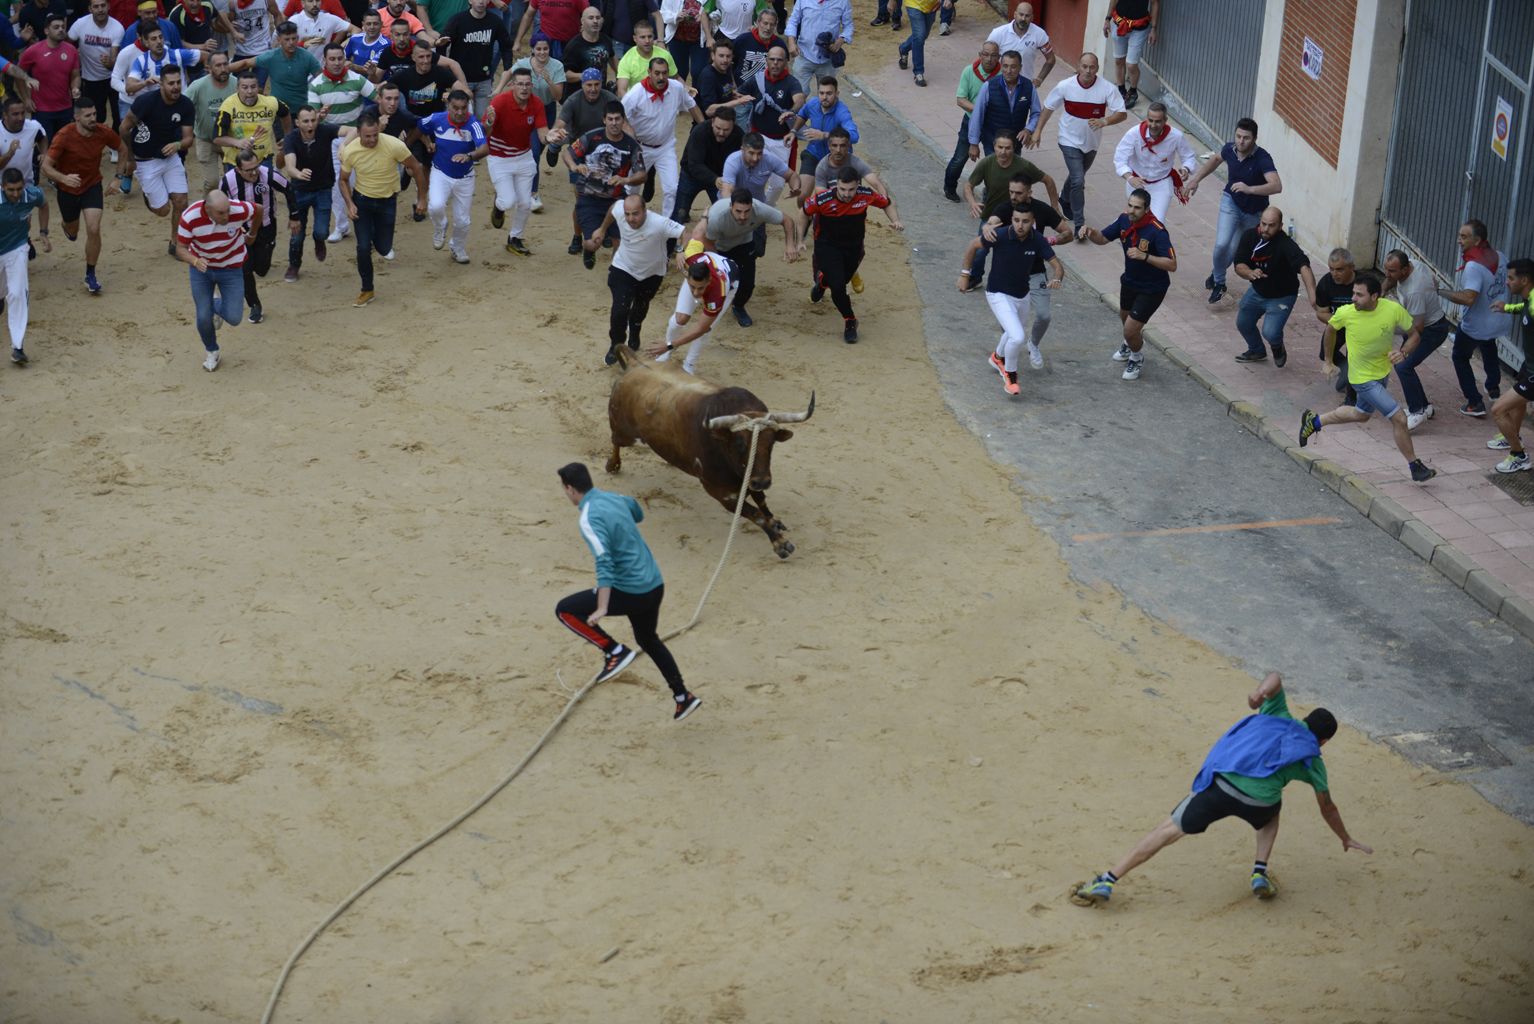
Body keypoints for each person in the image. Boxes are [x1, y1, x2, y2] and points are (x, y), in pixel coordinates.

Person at [1072, 671, 1370, 906]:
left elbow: (1276, 677)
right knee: (1271, 815)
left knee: (1167, 830)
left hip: (1222, 786)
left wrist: (1258, 694)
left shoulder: (1278, 713)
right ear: (1324, 741)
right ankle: (1259, 872)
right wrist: (1345, 837)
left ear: (1304, 718)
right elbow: (1327, 807)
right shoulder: (1313, 760)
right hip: (1259, 803)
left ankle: (1108, 880)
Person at [554, 461, 701, 721]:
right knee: (648, 640)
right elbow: (637, 512)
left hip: (631, 592)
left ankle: (613, 651)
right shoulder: (615, 498)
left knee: (565, 610)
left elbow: (604, 561)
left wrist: (602, 606)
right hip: (655, 584)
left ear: (569, 489)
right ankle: (682, 697)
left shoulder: (588, 517)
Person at [1299, 272, 1438, 483]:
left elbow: (1415, 334)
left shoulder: (1392, 309)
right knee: (1399, 418)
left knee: (1361, 414)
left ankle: (1315, 421)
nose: (1353, 298)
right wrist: (1328, 361)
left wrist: (1403, 352)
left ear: (1375, 297)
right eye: (1353, 293)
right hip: (1362, 379)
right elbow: (1330, 330)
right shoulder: (1346, 312)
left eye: (1359, 295)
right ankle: (1415, 466)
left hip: (1382, 373)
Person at [959, 204, 1061, 396]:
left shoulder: (1037, 240)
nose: (1020, 225)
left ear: (1033, 222)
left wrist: (1057, 278)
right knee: (1017, 337)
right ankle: (1010, 375)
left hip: (1022, 295)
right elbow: (973, 245)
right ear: (1011, 219)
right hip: (998, 293)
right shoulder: (1000, 235)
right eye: (1016, 220)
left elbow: (1057, 265)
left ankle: (997, 356)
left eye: (1025, 221)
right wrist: (965, 275)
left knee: (1013, 332)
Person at [797, 164, 902, 344]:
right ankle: (850, 320)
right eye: (842, 189)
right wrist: (799, 240)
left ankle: (822, 283)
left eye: (851, 189)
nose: (846, 194)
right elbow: (804, 213)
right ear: (836, 185)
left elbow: (887, 202)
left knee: (840, 280)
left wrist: (896, 220)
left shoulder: (866, 195)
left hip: (853, 247)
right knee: (838, 288)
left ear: (858, 186)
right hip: (827, 246)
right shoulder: (822, 200)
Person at [969, 176, 1069, 358]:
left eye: (1019, 193)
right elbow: (993, 221)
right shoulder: (1005, 208)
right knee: (1010, 323)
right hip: (1008, 275)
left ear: (1029, 193)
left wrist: (1048, 242)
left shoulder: (1042, 210)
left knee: (1044, 315)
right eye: (1011, 192)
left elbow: (1067, 233)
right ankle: (1007, 351)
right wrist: (987, 227)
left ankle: (1033, 344)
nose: (1013, 197)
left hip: (1036, 271)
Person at [1083, 187, 1174, 382]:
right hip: (1130, 281)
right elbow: (1103, 238)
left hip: (1152, 287)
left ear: (1147, 209)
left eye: (1137, 208)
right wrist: (1090, 232)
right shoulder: (1124, 220)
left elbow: (1172, 264)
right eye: (1130, 205)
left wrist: (1146, 256)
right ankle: (1130, 342)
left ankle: (1136, 356)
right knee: (1125, 319)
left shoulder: (1157, 232)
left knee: (1130, 329)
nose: (1132, 211)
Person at [337, 110, 428, 305]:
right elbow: (343, 180)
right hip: (362, 201)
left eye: (374, 135)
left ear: (379, 129)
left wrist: (421, 198)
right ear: (359, 133)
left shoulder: (394, 145)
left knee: (384, 247)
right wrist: (350, 203)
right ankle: (367, 289)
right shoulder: (350, 150)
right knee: (362, 248)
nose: (371, 140)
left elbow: (417, 168)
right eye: (367, 136)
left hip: (387, 201)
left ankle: (375, 240)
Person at [1185, 118, 1281, 303]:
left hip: (1254, 213)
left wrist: (1250, 189)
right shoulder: (1230, 149)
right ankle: (1220, 283)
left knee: (1233, 252)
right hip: (1231, 203)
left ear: (1254, 139)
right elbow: (1215, 159)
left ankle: (1216, 273)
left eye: (1246, 138)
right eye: (1238, 136)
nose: (1241, 141)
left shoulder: (1262, 158)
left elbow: (1276, 186)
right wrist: (1196, 179)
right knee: (1221, 244)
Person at [1031, 51, 1124, 235]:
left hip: (1092, 143)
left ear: (1097, 69)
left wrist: (1105, 121)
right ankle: (1079, 224)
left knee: (1076, 176)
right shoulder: (1065, 86)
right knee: (1079, 179)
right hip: (1068, 139)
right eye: (1084, 66)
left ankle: (1064, 199)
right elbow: (1048, 107)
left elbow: (1122, 113)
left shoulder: (1107, 88)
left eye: (1092, 67)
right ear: (1078, 67)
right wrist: (1038, 131)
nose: (1088, 71)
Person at [41, 98, 127, 294]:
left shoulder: (103, 132)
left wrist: (118, 178)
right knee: (73, 231)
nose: (93, 119)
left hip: (92, 185)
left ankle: (91, 273)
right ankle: (67, 226)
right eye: (88, 116)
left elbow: (122, 149)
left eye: (95, 114)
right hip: (68, 189)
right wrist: (64, 178)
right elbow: (46, 167)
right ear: (76, 117)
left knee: (94, 228)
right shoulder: (64, 136)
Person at [592, 192, 684, 362]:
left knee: (640, 307)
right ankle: (616, 345)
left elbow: (683, 232)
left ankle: (635, 330)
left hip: (652, 272)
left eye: (635, 213)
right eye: (627, 214)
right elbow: (613, 209)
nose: (631, 218)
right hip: (624, 268)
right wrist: (603, 229)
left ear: (645, 211)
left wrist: (680, 251)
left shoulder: (659, 222)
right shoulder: (620, 209)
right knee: (619, 310)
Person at [175, 188, 256, 371]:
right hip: (201, 271)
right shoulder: (190, 217)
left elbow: (257, 209)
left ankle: (215, 304)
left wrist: (252, 233)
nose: (227, 216)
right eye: (221, 213)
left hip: (231, 268)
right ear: (208, 209)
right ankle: (212, 351)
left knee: (235, 318)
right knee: (203, 316)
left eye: (228, 210)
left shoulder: (238, 210)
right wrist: (195, 261)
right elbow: (180, 249)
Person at [692, 185, 797, 326]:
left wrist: (790, 245)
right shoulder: (717, 217)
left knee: (747, 284)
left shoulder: (760, 209)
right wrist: (719, 263)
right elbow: (708, 241)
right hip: (720, 248)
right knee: (717, 280)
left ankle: (738, 306)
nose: (743, 216)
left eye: (747, 212)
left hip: (744, 244)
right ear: (731, 206)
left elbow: (787, 220)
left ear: (752, 207)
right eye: (738, 211)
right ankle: (710, 304)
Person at [120, 62, 195, 257]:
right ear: (161, 84)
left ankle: (175, 244)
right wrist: (130, 158)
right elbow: (124, 128)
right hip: (145, 161)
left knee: (181, 201)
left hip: (171, 158)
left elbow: (188, 138)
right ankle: (149, 197)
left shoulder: (186, 105)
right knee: (162, 210)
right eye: (171, 83)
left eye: (178, 82)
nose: (176, 87)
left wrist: (178, 145)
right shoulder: (145, 102)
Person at [1439, 219, 1510, 418]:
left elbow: (1469, 298)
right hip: (1498, 320)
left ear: (1477, 240)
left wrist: (1439, 291)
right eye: (1459, 235)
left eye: (1464, 237)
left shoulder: (1473, 267)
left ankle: (1474, 402)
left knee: (1460, 357)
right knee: (1489, 345)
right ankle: (1493, 387)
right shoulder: (1500, 256)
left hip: (1477, 324)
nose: (1458, 241)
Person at [562, 99, 645, 268]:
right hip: (589, 198)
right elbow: (567, 153)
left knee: (620, 243)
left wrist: (625, 180)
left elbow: (642, 174)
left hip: (616, 200)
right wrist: (574, 166)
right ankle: (589, 249)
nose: (614, 123)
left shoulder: (631, 145)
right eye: (610, 119)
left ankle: (616, 270)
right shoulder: (592, 137)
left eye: (617, 119)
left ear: (623, 120)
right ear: (604, 120)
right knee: (593, 243)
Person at [963, 133, 1051, 289]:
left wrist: (1055, 208)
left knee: (1019, 250)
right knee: (980, 250)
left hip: (1019, 216)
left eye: (1008, 148)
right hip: (993, 215)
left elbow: (1048, 180)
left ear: (1014, 149)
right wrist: (973, 203)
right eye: (1000, 147)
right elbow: (968, 185)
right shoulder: (987, 163)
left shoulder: (1023, 166)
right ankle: (975, 277)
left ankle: (1023, 279)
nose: (1003, 152)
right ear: (994, 147)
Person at [484, 66, 556, 255]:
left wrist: (551, 137)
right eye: (520, 84)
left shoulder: (537, 103)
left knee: (525, 203)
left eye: (527, 84)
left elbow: (542, 134)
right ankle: (499, 207)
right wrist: (490, 122)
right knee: (508, 202)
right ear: (512, 85)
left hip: (524, 156)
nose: (524, 88)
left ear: (531, 85)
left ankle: (514, 238)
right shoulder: (499, 102)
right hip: (499, 158)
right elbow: (485, 133)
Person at [619, 57, 701, 221]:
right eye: (657, 73)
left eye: (664, 73)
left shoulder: (677, 88)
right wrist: (631, 139)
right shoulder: (635, 94)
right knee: (631, 188)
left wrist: (704, 128)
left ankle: (667, 228)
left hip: (666, 147)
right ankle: (626, 221)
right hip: (640, 148)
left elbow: (691, 104)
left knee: (672, 189)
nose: (661, 77)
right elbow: (620, 118)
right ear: (649, 73)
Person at [1231, 207, 1315, 367]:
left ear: (1280, 226)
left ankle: (1277, 347)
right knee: (1243, 323)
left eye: (1271, 225)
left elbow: (1304, 266)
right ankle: (1256, 350)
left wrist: (1312, 295)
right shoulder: (1250, 236)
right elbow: (1239, 264)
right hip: (1257, 291)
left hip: (1282, 296)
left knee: (1270, 332)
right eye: (1264, 224)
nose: (1266, 229)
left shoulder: (1285, 244)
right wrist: (1249, 273)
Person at [1382, 250, 1452, 431]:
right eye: (1386, 269)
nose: (1387, 275)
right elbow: (1389, 281)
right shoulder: (1413, 262)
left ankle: (1417, 411)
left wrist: (1388, 328)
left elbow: (1417, 329)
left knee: (1403, 365)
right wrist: (1380, 293)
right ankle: (1425, 407)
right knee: (1406, 365)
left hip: (1431, 330)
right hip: (1418, 321)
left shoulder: (1415, 291)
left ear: (1405, 270)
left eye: (1392, 271)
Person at [643, 240, 735, 371]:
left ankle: (689, 364)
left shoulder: (717, 293)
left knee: (706, 330)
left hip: (729, 285)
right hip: (701, 270)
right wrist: (680, 250)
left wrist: (670, 345)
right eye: (693, 287)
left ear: (708, 281)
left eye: (700, 288)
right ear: (686, 276)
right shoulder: (689, 258)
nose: (696, 293)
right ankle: (667, 352)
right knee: (680, 319)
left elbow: (701, 328)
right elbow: (695, 235)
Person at [219, 149, 287, 324]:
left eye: (256, 167)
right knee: (244, 269)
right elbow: (219, 207)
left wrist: (294, 216)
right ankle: (255, 305)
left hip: (266, 228)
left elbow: (289, 188)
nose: (254, 172)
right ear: (238, 170)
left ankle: (261, 262)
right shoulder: (227, 181)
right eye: (249, 170)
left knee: (262, 269)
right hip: (240, 231)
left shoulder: (269, 174)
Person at [420, 87, 487, 262]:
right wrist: (428, 142)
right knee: (435, 206)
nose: (459, 112)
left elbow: (484, 147)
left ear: (468, 106)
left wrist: (469, 156)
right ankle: (440, 226)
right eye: (455, 108)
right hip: (440, 172)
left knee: (463, 221)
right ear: (448, 106)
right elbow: (419, 126)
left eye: (463, 108)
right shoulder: (436, 119)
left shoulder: (473, 125)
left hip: (465, 177)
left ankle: (457, 247)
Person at [281, 103, 341, 280]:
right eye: (305, 121)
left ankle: (318, 240)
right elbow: (289, 166)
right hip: (299, 191)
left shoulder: (326, 131)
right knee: (297, 235)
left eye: (313, 120)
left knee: (321, 231)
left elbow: (352, 130)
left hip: (323, 189)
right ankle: (294, 265)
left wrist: (345, 146)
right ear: (297, 122)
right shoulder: (291, 139)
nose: (310, 125)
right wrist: (298, 173)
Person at [1112, 101, 1194, 222]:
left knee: (1157, 221)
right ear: (1146, 119)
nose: (1153, 125)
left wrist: (1186, 168)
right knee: (1134, 218)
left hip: (1161, 183)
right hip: (1137, 182)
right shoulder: (1134, 133)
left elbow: (1189, 156)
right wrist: (1130, 178)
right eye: (1150, 120)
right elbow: (1120, 158)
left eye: (1158, 121)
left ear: (1165, 120)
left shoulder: (1176, 136)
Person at [1488, 259, 1534, 474]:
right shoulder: (1529, 299)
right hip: (1529, 366)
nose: (1507, 283)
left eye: (1511, 278)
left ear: (1524, 280)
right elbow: (1524, 309)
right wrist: (1506, 308)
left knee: (1498, 410)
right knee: (1516, 403)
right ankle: (1512, 437)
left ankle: (1519, 456)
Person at [738, 44, 800, 202]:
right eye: (772, 59)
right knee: (750, 176)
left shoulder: (791, 82)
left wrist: (791, 111)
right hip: (758, 138)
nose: (775, 63)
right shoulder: (756, 79)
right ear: (766, 60)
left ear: (786, 62)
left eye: (779, 60)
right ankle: (747, 207)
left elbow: (799, 99)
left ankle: (765, 210)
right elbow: (738, 93)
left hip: (782, 141)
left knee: (778, 184)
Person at [0, 167, 49, 366]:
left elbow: (44, 205)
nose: (15, 194)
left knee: (18, 293)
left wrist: (44, 232)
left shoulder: (32, 194)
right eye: (11, 190)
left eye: (18, 189)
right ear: (2, 187)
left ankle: (17, 347)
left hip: (17, 248)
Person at [941, 39, 998, 204]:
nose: (989, 59)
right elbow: (960, 99)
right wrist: (979, 110)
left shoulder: (1002, 74)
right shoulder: (969, 72)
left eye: (994, 56)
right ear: (980, 55)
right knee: (960, 157)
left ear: (998, 57)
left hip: (993, 125)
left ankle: (990, 196)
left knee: (993, 160)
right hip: (971, 121)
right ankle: (949, 186)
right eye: (986, 55)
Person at [438, 0, 511, 117]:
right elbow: (442, 44)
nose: (481, 2)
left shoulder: (495, 21)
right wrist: (446, 74)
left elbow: (506, 46)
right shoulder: (458, 20)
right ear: (470, 1)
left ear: (488, 2)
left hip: (484, 79)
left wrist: (508, 68)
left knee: (482, 120)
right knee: (458, 117)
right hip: (460, 81)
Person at [966, 50, 1038, 160]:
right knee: (994, 175)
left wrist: (1028, 129)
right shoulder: (989, 86)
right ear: (1001, 66)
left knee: (1012, 176)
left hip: (1015, 144)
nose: (1009, 71)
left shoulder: (1029, 87)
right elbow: (977, 115)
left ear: (1020, 67)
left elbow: (1036, 113)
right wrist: (973, 143)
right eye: (1005, 66)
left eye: (1013, 67)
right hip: (992, 144)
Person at [789, 74, 854, 198]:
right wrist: (793, 131)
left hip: (838, 158)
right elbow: (802, 116)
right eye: (821, 93)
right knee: (802, 196)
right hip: (814, 153)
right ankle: (807, 217)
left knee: (833, 199)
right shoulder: (813, 103)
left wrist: (825, 135)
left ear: (837, 93)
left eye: (829, 93)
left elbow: (854, 136)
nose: (824, 97)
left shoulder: (842, 112)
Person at [214, 70, 291, 172]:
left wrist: (287, 135)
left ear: (258, 87)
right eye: (245, 87)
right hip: (236, 161)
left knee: (264, 188)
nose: (249, 91)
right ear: (237, 88)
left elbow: (285, 113)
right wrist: (237, 143)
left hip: (263, 158)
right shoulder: (227, 107)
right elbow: (217, 138)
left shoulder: (270, 103)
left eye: (253, 87)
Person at [672, 110, 740, 225]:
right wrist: (715, 179)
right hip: (692, 176)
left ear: (733, 126)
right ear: (713, 122)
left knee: (724, 214)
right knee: (679, 215)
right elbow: (694, 165)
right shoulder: (699, 132)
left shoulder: (739, 135)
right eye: (718, 128)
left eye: (726, 130)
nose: (721, 133)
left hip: (720, 179)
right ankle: (672, 241)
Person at [20, 15, 81, 141]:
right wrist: (26, 99)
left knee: (65, 145)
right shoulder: (33, 51)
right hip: (42, 109)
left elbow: (75, 75)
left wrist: (75, 87)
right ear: (46, 31)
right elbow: (19, 74)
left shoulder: (72, 50)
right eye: (56, 27)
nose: (61, 30)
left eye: (63, 27)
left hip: (65, 108)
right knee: (43, 146)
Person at [184, 52, 237, 189]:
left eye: (225, 64)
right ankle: (209, 209)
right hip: (206, 140)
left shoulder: (237, 84)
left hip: (230, 140)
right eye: (218, 65)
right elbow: (182, 105)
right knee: (212, 183)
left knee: (234, 181)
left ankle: (233, 208)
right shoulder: (198, 86)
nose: (223, 69)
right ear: (209, 68)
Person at [70, 0, 125, 129]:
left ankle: (115, 147)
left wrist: (111, 63)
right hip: (90, 79)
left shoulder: (117, 27)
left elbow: (114, 55)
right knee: (97, 116)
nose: (100, 9)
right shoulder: (80, 24)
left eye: (103, 6)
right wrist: (75, 56)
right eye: (96, 6)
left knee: (118, 115)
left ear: (108, 6)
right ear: (90, 8)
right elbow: (67, 44)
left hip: (113, 78)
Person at [1313, 248, 1357, 403]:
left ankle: (1351, 401)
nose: (1335, 273)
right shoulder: (1326, 283)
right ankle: (1346, 369)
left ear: (1351, 267)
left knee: (1355, 358)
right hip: (1337, 324)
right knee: (1324, 353)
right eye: (1331, 269)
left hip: (1359, 328)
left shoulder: (1363, 282)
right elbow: (1321, 313)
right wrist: (1340, 321)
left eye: (1339, 269)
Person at [390, 39, 469, 117]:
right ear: (413, 58)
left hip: (436, 119)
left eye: (428, 56)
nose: (426, 61)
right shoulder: (404, 75)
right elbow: (382, 89)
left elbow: (468, 93)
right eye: (421, 57)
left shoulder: (441, 72)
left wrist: (452, 96)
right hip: (413, 119)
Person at [783, 0, 850, 90]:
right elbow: (793, 21)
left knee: (826, 98)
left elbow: (849, 26)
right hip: (804, 55)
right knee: (798, 94)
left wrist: (842, 39)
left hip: (828, 60)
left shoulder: (843, 2)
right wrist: (791, 42)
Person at [257, 22, 323, 113]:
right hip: (278, 111)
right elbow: (245, 63)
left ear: (298, 38)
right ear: (279, 39)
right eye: (287, 39)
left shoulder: (307, 57)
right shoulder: (271, 56)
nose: (291, 42)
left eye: (293, 38)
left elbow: (322, 79)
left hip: (301, 111)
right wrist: (229, 68)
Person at [124, 25, 204, 99]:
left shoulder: (178, 55)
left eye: (161, 37)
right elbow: (129, 88)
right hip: (157, 108)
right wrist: (145, 83)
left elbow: (206, 56)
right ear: (146, 43)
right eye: (154, 39)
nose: (159, 41)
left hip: (181, 103)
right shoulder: (141, 61)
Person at [985, 2, 1052, 89]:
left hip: (1025, 86)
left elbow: (1051, 59)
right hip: (1000, 85)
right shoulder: (998, 33)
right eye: (1021, 14)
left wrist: (1039, 79)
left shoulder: (1039, 34)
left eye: (1027, 16)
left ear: (1032, 17)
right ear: (1015, 14)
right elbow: (985, 56)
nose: (1023, 18)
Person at [1103, 0, 1157, 108]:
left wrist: (1154, 28)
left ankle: (1133, 91)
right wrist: (1107, 19)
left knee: (1131, 65)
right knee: (1119, 60)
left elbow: (1155, 3)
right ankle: (1121, 90)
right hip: (1118, 24)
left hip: (1139, 28)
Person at [559, 6, 618, 88]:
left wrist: (619, 75)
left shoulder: (606, 40)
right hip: (579, 94)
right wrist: (585, 76)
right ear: (582, 21)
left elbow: (612, 57)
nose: (595, 21)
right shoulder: (573, 46)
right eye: (591, 18)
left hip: (601, 91)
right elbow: (565, 74)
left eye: (598, 18)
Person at [895, 0, 949, 88]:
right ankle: (918, 72)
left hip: (931, 6)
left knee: (922, 35)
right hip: (913, 4)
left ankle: (904, 49)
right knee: (919, 36)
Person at [615, 20, 677, 94]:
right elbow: (621, 90)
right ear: (635, 39)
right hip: (637, 101)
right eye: (643, 37)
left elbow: (676, 78)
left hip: (662, 98)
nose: (647, 41)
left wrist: (686, 88)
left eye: (650, 36)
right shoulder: (626, 60)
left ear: (654, 37)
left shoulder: (665, 55)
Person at [729, 6, 782, 87]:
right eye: (765, 23)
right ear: (758, 22)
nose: (768, 28)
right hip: (741, 90)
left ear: (775, 26)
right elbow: (729, 64)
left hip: (767, 92)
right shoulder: (742, 40)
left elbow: (784, 70)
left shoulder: (779, 44)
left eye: (772, 25)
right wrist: (733, 86)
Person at [0, 97, 47, 187]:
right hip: (2, 187)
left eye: (22, 113)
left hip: (27, 184)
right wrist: (10, 153)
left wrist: (44, 153)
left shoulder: (33, 126)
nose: (21, 118)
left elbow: (42, 137)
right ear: (5, 115)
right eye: (15, 114)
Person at [514, 0, 585, 57]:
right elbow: (528, 15)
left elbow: (589, 14)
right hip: (547, 42)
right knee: (542, 72)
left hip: (570, 42)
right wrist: (517, 41)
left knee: (567, 72)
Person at [661, 0, 711, 82]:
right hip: (677, 40)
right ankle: (680, 94)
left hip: (700, 40)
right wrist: (675, 16)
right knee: (679, 72)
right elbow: (663, 13)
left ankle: (697, 94)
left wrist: (706, 16)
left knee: (698, 72)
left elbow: (718, 11)